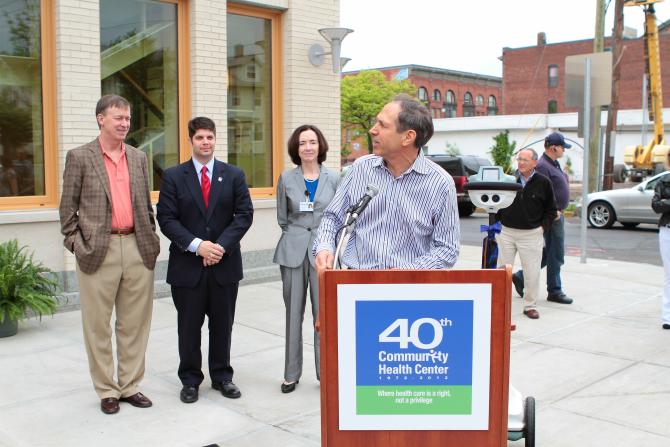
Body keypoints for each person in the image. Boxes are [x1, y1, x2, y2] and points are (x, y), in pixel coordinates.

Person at [59, 94, 161, 415]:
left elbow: (144, 204)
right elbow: (67, 210)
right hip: (96, 250)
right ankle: (107, 389)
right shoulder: (79, 157)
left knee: (134, 323)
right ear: (100, 118)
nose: (124, 123)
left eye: (127, 118)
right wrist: (76, 243)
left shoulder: (138, 157)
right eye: (118, 117)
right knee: (97, 325)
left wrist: (151, 238)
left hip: (136, 246)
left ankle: (130, 385)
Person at [157, 116, 253, 404]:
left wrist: (219, 247)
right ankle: (190, 380)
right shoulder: (174, 176)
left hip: (224, 266)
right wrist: (198, 246)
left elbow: (244, 215)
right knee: (188, 327)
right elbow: (166, 218)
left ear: (215, 139)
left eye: (210, 137)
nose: (206, 142)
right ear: (191, 140)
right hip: (188, 267)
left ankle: (222, 376)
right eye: (200, 137)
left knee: (223, 325)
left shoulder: (233, 175)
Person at [314, 94, 459, 272]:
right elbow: (332, 217)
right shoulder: (360, 168)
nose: (372, 130)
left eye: (382, 125)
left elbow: (447, 249)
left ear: (408, 137)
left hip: (409, 289)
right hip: (357, 283)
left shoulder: (441, 183)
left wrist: (409, 271)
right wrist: (324, 247)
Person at [273, 125, 339, 394]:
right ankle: (291, 374)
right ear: (296, 149)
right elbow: (282, 218)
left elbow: (340, 215)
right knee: (293, 314)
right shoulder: (286, 179)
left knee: (323, 314)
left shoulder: (335, 178)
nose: (308, 147)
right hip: (293, 251)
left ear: (320, 146)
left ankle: (325, 374)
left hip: (323, 253)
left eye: (312, 142)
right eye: (302, 143)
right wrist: (296, 236)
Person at [512, 132, 573, 305]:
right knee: (556, 253)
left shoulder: (553, 164)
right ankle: (554, 290)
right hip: (552, 216)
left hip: (555, 215)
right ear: (554, 147)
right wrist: (551, 211)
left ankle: (521, 276)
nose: (563, 150)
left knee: (549, 253)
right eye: (562, 147)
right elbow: (537, 191)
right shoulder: (543, 166)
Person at [497, 148, 557, 319]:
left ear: (535, 163)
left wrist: (541, 228)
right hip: (507, 232)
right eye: (519, 159)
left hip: (531, 234)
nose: (521, 162)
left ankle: (529, 306)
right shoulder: (509, 180)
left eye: (525, 159)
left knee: (532, 273)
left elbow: (551, 211)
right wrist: (498, 224)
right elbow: (498, 202)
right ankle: (499, 305)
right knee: (502, 272)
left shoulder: (543, 182)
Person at [652, 173, 670, 330]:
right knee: (669, 274)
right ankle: (667, 317)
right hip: (667, 231)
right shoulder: (663, 181)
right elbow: (656, 206)